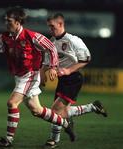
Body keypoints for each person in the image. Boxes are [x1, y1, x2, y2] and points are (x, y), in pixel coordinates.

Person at [0, 7, 74, 147]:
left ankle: (8, 139)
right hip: (19, 77)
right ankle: (65, 123)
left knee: (12, 103)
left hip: (31, 75)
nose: (6, 23)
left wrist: (53, 66)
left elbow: (51, 47)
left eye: (9, 21)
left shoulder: (31, 36)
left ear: (18, 22)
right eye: (5, 21)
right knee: (36, 110)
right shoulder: (5, 37)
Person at [40, 13, 108, 148]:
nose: (50, 29)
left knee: (55, 111)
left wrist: (69, 70)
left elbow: (86, 58)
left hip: (73, 79)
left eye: (52, 26)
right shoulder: (51, 42)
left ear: (60, 24)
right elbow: (47, 63)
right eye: (49, 27)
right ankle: (93, 107)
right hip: (62, 81)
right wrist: (42, 75)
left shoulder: (73, 40)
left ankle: (53, 140)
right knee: (61, 113)